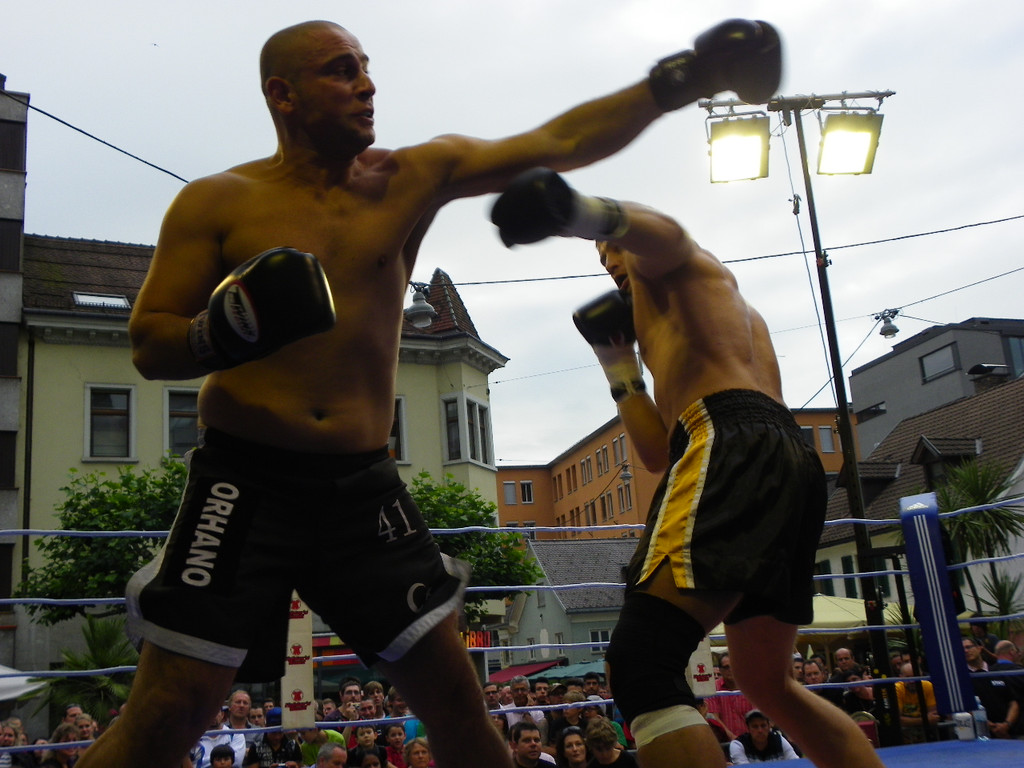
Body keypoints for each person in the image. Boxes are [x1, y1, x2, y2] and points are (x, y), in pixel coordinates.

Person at [77, 17, 781, 768]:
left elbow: (559, 140)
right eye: (341, 70)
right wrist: (222, 331)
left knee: (459, 708)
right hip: (243, 483)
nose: (367, 84)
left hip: (361, 488)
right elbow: (150, 341)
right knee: (165, 718)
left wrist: (684, 78)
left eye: (366, 66)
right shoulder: (216, 202)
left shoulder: (406, 179)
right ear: (283, 94)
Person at [490, 173, 886, 768]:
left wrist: (571, 212)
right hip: (779, 460)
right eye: (599, 255)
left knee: (642, 664)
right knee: (767, 682)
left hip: (728, 443)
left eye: (611, 245)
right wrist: (617, 362)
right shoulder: (673, 318)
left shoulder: (682, 268)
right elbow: (656, 452)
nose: (609, 261)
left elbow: (666, 234)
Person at [728, 711, 799, 764]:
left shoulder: (779, 740)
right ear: (748, 729)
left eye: (763, 725)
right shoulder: (738, 744)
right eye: (755, 726)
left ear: (769, 727)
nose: (760, 730)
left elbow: (796, 763)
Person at [893, 662, 939, 743]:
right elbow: (897, 720)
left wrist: (909, 721)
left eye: (915, 676)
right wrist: (924, 720)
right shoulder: (897, 689)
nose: (912, 681)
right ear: (901, 677)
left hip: (926, 737)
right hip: (903, 740)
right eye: (908, 677)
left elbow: (933, 718)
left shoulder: (928, 686)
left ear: (921, 676)